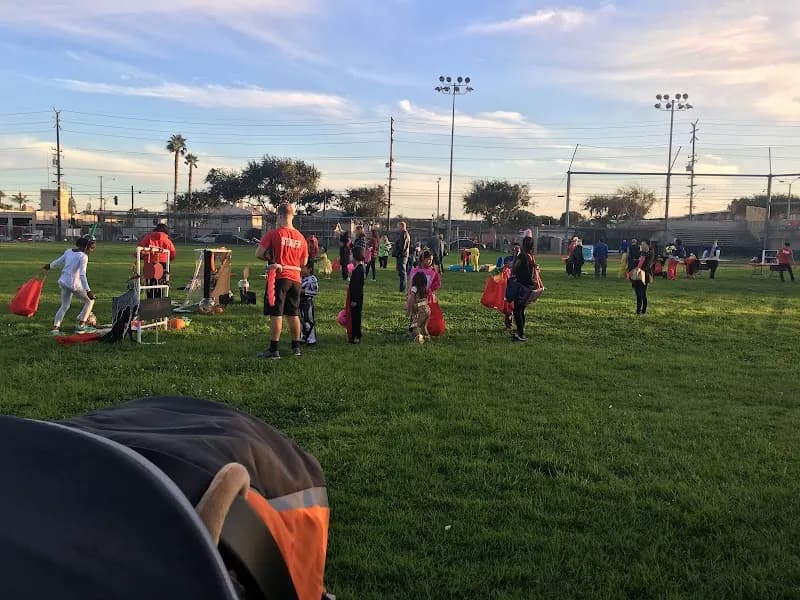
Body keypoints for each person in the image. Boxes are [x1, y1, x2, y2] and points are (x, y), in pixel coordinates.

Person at [256, 203, 308, 360]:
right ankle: (296, 348)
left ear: (279, 216)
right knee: (293, 313)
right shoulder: (301, 237)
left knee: (276, 314)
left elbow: (259, 253)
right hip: (296, 279)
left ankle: (274, 349)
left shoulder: (274, 233)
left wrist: (270, 257)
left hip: (279, 277)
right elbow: (304, 261)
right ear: (293, 216)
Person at [44, 235, 97, 335]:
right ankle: (81, 326)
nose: (92, 250)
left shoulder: (69, 251)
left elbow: (59, 261)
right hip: (74, 284)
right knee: (90, 301)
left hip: (64, 282)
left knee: (64, 305)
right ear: (86, 246)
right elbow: (82, 275)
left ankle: (55, 328)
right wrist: (88, 291)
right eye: (91, 248)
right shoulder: (83, 257)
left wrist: (49, 266)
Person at [509, 236, 538, 342]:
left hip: (521, 286)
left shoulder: (522, 256)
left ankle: (521, 334)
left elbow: (514, 269)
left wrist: (515, 255)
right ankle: (519, 332)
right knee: (521, 310)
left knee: (517, 311)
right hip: (529, 286)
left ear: (523, 244)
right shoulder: (531, 256)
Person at [137, 223, 176, 299]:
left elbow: (139, 249)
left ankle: (150, 300)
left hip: (150, 263)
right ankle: (160, 301)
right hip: (164, 264)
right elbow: (173, 253)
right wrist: (168, 258)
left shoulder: (148, 237)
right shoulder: (167, 240)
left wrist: (142, 256)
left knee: (150, 284)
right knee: (161, 284)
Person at [629, 240, 654, 315]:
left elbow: (641, 265)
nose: (641, 246)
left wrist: (635, 263)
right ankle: (642, 310)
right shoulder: (648, 253)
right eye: (641, 244)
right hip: (644, 274)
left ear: (648, 245)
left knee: (640, 294)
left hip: (641, 274)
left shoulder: (646, 254)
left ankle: (639, 310)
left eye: (643, 244)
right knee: (642, 293)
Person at [406, 271, 431, 344]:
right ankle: (427, 338)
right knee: (423, 327)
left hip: (421, 311)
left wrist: (409, 309)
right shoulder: (426, 289)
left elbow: (411, 300)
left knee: (415, 326)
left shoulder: (414, 288)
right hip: (428, 310)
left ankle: (419, 339)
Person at [348, 246, 365, 344]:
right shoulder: (358, 268)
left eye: (351, 254)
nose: (350, 256)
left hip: (356, 298)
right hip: (355, 297)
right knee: (354, 316)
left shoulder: (359, 269)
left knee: (356, 317)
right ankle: (354, 335)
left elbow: (357, 287)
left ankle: (356, 335)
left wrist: (354, 300)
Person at [299, 261, 318, 346]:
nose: (301, 270)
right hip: (299, 302)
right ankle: (303, 337)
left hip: (307, 302)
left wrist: (303, 291)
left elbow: (314, 292)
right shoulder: (299, 278)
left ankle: (311, 339)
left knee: (309, 320)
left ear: (310, 269)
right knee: (301, 320)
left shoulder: (312, 279)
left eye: (303, 268)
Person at [393, 221, 410, 292]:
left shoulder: (404, 234)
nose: (398, 228)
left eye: (398, 226)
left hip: (402, 255)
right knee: (401, 271)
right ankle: (402, 287)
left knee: (402, 272)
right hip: (403, 255)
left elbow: (402, 245)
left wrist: (399, 253)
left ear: (402, 226)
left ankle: (402, 288)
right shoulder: (404, 234)